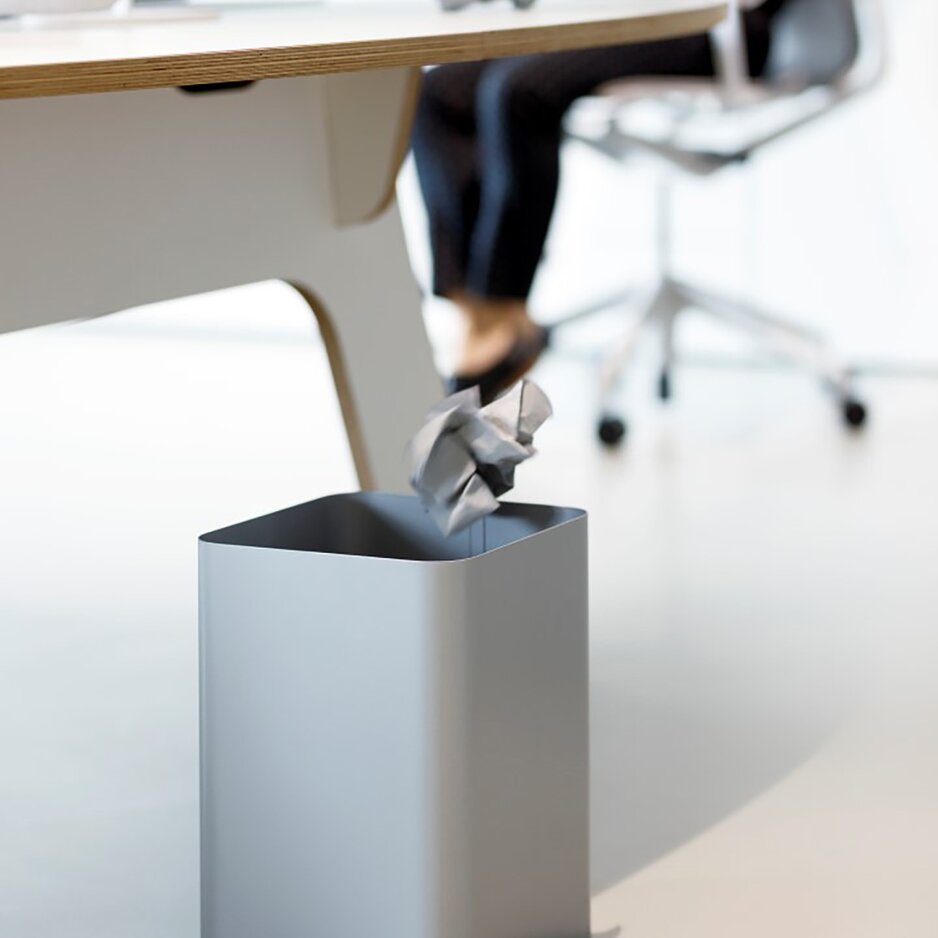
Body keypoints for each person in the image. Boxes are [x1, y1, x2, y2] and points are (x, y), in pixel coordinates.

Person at [411, 0, 791, 402]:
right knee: (438, 93)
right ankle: (475, 310)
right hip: (618, 16)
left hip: (712, 24)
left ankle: (503, 304)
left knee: (519, 92)